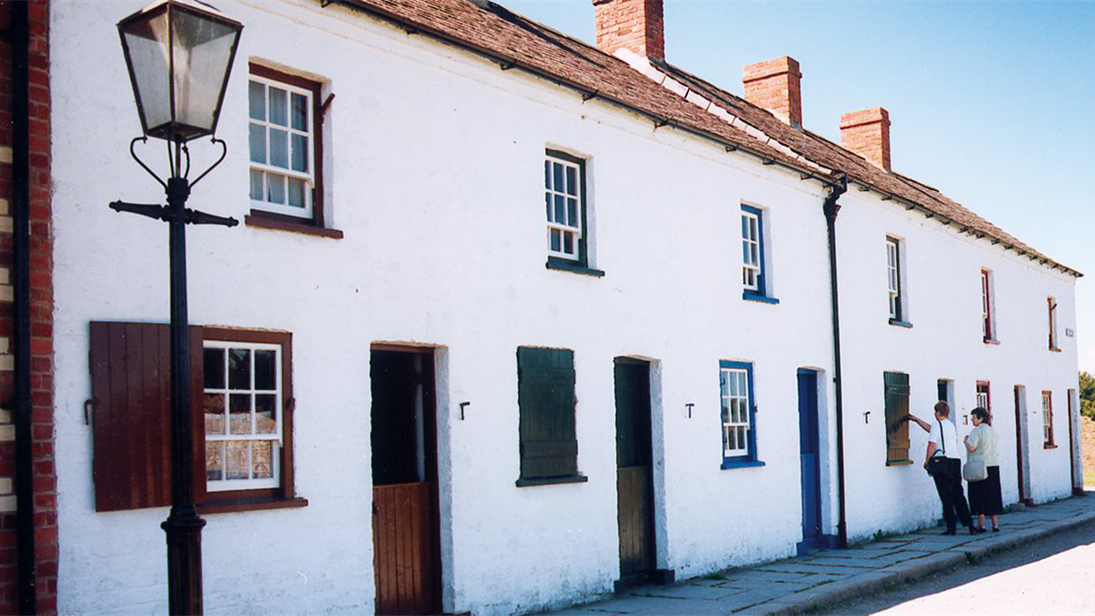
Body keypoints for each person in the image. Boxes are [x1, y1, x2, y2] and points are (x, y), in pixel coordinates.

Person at [908, 401, 975, 535]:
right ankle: (969, 524)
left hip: (943, 462)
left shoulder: (936, 425)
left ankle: (951, 527)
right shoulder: (950, 425)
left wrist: (927, 461)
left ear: (938, 413)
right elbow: (931, 429)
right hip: (955, 461)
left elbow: (931, 444)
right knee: (958, 494)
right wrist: (917, 420)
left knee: (945, 495)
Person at [964, 407, 1002, 532]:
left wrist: (965, 441)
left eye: (974, 418)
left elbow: (972, 448)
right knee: (993, 495)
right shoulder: (993, 431)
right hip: (993, 465)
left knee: (979, 495)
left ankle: (982, 525)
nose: (972, 420)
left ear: (980, 418)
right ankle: (995, 524)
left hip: (980, 466)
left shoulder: (976, 431)